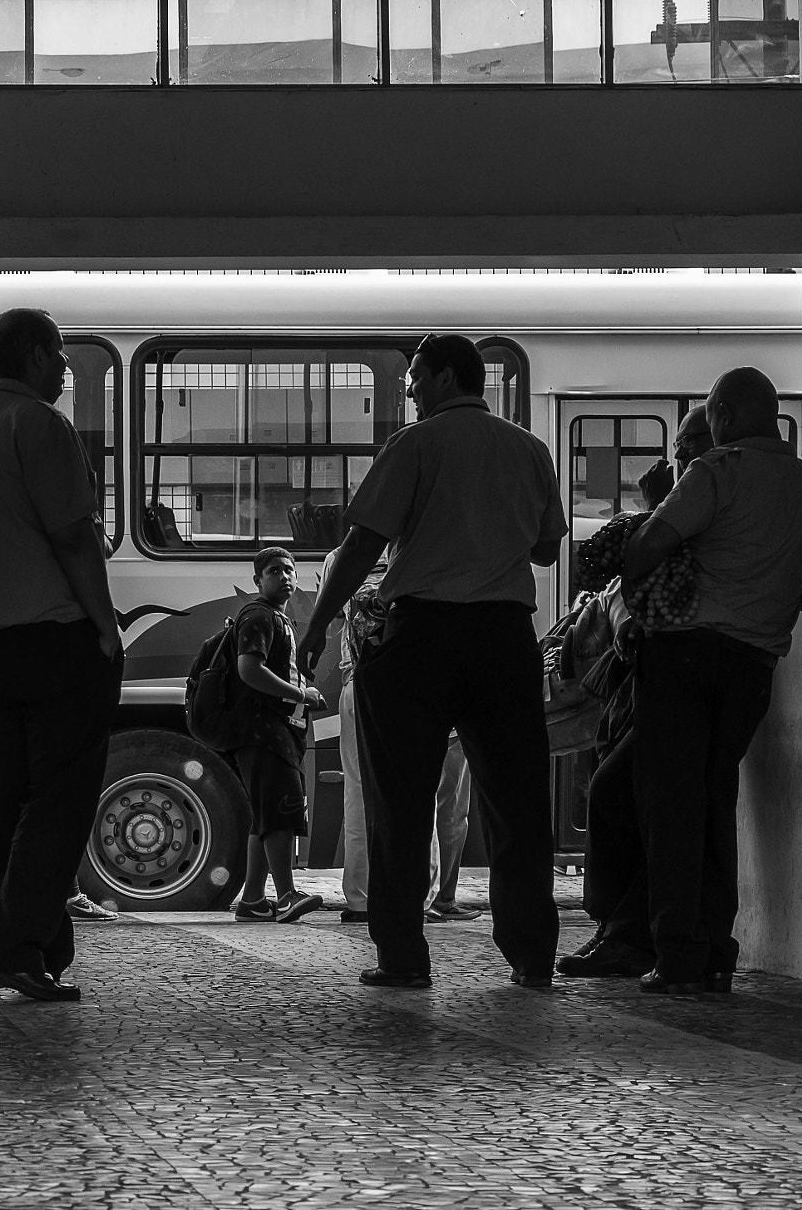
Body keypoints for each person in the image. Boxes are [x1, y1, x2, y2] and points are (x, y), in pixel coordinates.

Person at [298, 334, 565, 990]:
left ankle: (403, 956)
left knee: (402, 800)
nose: (410, 389)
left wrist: (318, 623)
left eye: (416, 377)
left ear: (447, 377)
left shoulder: (415, 446)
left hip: (423, 635)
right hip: (504, 637)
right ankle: (531, 954)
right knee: (518, 804)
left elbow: (364, 542)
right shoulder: (529, 449)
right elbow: (547, 551)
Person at [0, 308, 122, 1004]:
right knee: (62, 795)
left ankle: (37, 948)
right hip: (54, 636)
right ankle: (12, 945)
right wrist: (106, 625)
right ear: (35, 357)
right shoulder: (43, 427)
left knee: (8, 794)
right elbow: (74, 537)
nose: (66, 368)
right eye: (61, 354)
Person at [617, 367, 802, 994]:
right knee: (716, 801)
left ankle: (678, 953)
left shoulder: (717, 471)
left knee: (671, 807)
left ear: (726, 415)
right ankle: (716, 951)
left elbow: (647, 547)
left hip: (684, 658)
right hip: (754, 666)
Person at [561, 405, 715, 979]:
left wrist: (654, 512)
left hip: (684, 670)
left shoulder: (710, 495)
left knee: (619, 792)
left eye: (691, 441)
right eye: (678, 445)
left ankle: (632, 933)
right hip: (649, 672)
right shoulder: (690, 498)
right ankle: (624, 928)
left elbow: (654, 567)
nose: (680, 456)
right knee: (623, 789)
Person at [334, 553, 478, 927]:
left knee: (359, 794)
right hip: (412, 688)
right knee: (421, 795)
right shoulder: (427, 559)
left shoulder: (344, 559)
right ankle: (422, 897)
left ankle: (362, 896)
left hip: (358, 685)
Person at [227, 546, 327, 925]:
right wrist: (301, 694)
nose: (284, 576)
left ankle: (252, 900)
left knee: (264, 817)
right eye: (273, 571)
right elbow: (248, 669)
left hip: (277, 731)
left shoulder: (277, 618)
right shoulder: (258, 616)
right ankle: (286, 897)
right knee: (282, 814)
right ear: (258, 580)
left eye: (289, 570)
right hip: (265, 732)